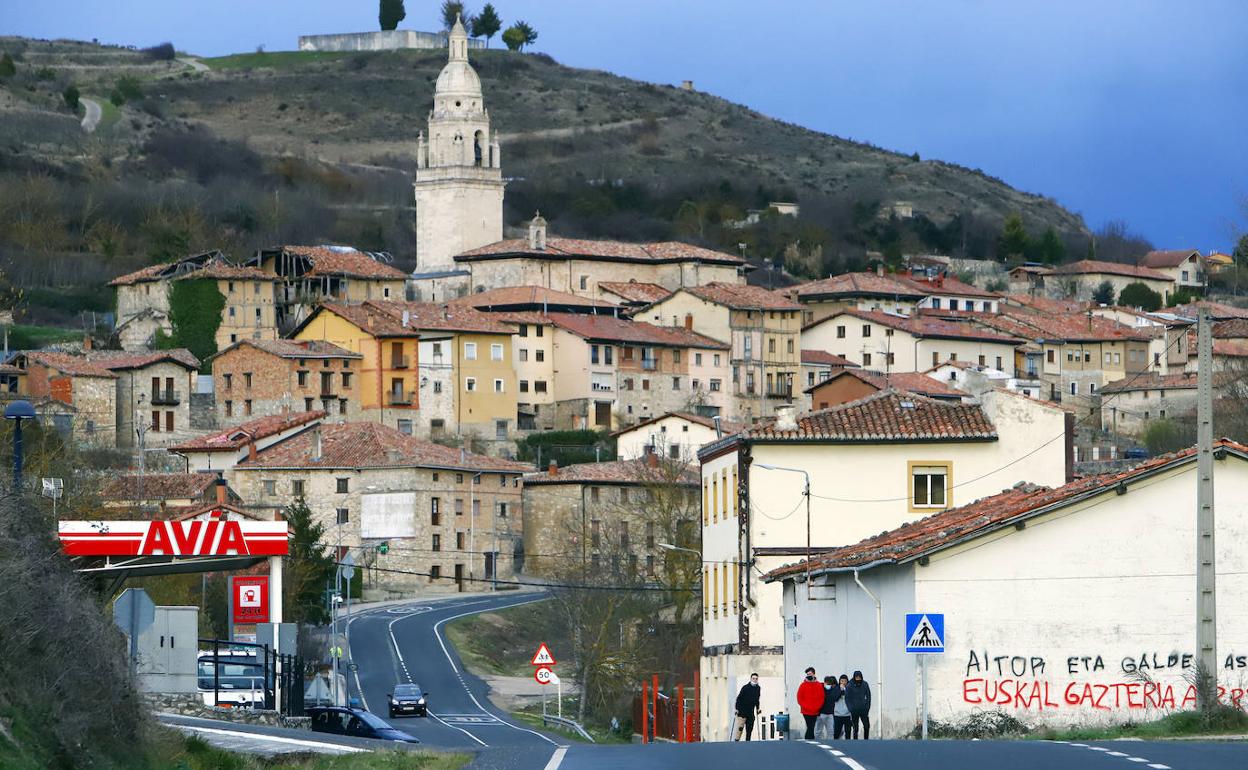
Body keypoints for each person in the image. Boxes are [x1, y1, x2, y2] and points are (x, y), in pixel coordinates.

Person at [796, 666, 824, 740]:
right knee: (810, 726)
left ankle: (809, 740)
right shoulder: (803, 685)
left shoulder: (818, 685)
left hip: (815, 710)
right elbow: (799, 697)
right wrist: (805, 706)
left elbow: (822, 697)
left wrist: (818, 706)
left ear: (814, 674)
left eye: (810, 674)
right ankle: (810, 739)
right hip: (806, 711)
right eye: (808, 674)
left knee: (811, 726)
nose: (809, 676)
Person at [733, 673, 761, 741]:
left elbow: (757, 700)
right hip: (742, 711)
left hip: (750, 712)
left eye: (756, 679)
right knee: (740, 727)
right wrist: (737, 708)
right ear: (751, 679)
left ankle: (747, 742)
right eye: (753, 678)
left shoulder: (758, 688)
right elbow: (739, 698)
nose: (755, 680)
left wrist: (758, 708)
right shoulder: (745, 687)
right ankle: (737, 740)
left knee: (749, 728)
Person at [845, 670, 872, 739]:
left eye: (859, 677)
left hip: (863, 709)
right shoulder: (849, 685)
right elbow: (847, 698)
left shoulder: (865, 684)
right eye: (857, 677)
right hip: (854, 710)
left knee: (866, 726)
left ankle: (866, 739)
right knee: (855, 728)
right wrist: (850, 709)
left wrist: (867, 707)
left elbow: (868, 696)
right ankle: (855, 740)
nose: (858, 679)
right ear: (854, 677)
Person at [832, 674, 852, 739]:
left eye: (844, 681)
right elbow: (835, 698)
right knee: (837, 732)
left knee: (848, 732)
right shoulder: (836, 688)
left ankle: (848, 745)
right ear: (839, 681)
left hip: (847, 714)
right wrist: (841, 690)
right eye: (841, 681)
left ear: (847, 681)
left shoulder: (849, 689)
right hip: (838, 714)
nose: (843, 682)